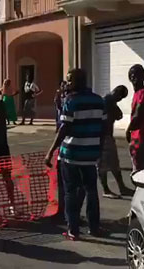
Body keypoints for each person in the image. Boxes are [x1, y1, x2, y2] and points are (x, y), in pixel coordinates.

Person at [44, 68, 105, 240]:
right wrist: (98, 151)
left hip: (71, 154)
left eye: (70, 80)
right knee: (91, 191)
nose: (67, 83)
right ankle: (94, 227)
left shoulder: (71, 101)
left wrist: (50, 152)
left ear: (78, 81)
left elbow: (64, 128)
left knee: (70, 191)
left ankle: (73, 230)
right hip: (90, 155)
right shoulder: (99, 100)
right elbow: (103, 129)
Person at [99, 85, 133, 198]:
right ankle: (106, 189)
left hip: (107, 136)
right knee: (102, 165)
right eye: (120, 97)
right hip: (102, 137)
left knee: (114, 164)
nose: (120, 100)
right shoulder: (107, 101)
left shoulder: (111, 101)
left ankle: (121, 187)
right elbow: (117, 115)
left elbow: (119, 115)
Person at [126, 64, 144, 171]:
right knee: (138, 169)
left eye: (137, 75)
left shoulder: (143, 93)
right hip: (138, 137)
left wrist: (128, 130)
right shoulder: (137, 93)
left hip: (143, 137)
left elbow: (137, 115)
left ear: (143, 77)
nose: (134, 77)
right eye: (131, 75)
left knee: (141, 171)